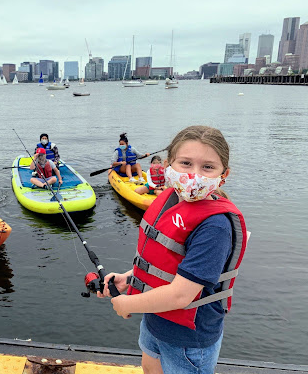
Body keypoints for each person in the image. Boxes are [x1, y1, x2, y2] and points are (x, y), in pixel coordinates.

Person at [98, 126, 248, 374]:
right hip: (154, 321)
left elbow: (181, 295)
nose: (194, 175)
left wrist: (128, 304)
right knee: (149, 368)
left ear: (224, 174)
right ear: (169, 165)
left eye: (207, 167)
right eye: (186, 163)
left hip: (188, 340)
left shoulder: (215, 226)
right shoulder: (168, 199)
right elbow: (168, 262)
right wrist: (130, 278)